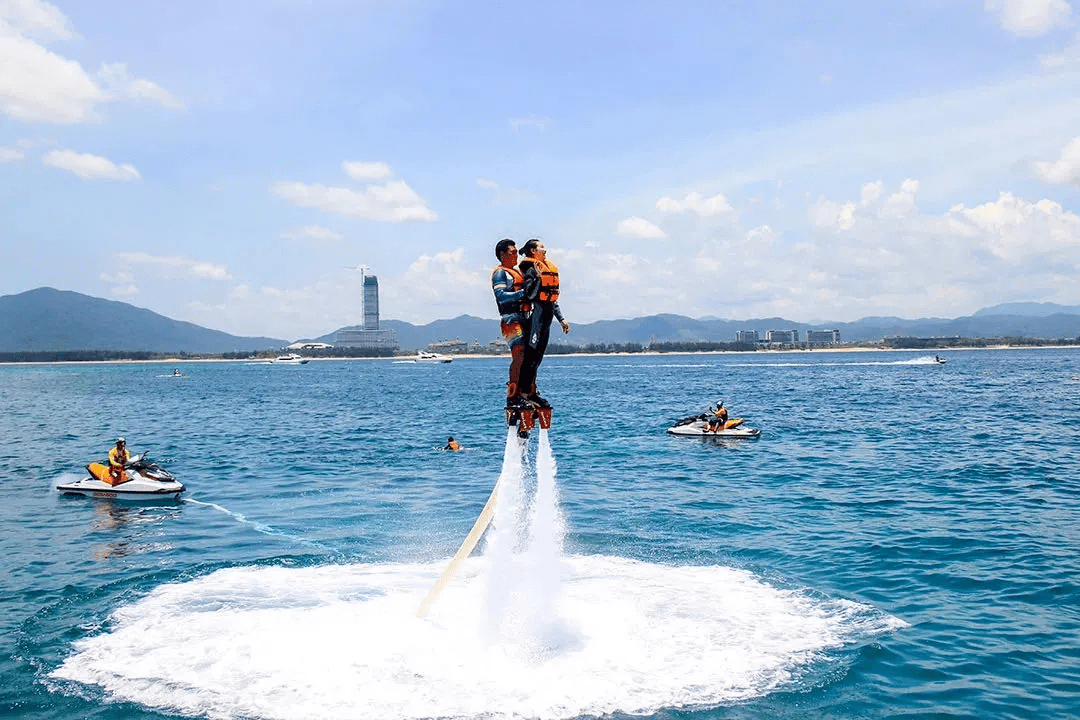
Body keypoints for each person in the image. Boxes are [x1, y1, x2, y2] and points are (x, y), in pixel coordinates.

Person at [516, 238, 570, 408]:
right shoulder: (531, 269)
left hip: (547, 318)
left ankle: (531, 391)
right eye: (541, 247)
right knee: (531, 356)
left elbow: (552, 300)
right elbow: (530, 294)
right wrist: (538, 278)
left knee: (538, 358)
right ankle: (522, 394)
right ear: (533, 251)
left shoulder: (546, 267)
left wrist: (561, 319)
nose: (545, 250)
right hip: (536, 318)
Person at [491, 238, 532, 409]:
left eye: (517, 252)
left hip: (525, 317)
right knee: (519, 353)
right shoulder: (501, 273)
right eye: (513, 252)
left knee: (529, 355)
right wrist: (523, 293)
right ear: (502, 255)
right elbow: (501, 295)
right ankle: (513, 393)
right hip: (511, 319)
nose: (516, 255)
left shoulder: (518, 273)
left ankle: (527, 391)